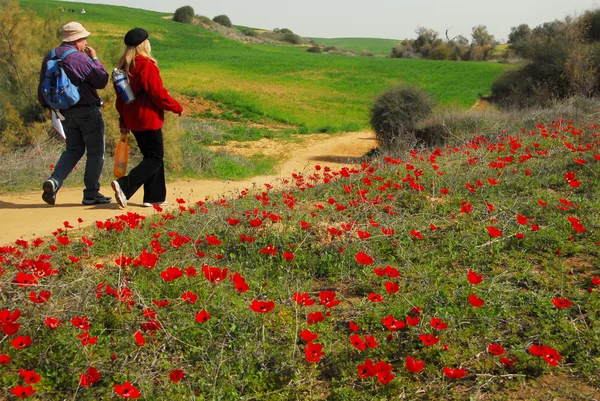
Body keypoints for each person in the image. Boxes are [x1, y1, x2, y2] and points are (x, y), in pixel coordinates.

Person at [38, 22, 112, 205]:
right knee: (96, 152)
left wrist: (50, 108)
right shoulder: (80, 59)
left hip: (64, 112)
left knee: (73, 150)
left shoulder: (51, 55)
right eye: (84, 39)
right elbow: (102, 80)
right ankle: (91, 193)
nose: (86, 43)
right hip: (87, 109)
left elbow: (42, 87)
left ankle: (54, 181)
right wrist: (95, 59)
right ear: (77, 40)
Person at [111, 28, 183, 208]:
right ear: (144, 44)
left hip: (132, 118)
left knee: (150, 155)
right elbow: (157, 93)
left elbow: (120, 99)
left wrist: (123, 121)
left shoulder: (124, 67)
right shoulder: (146, 65)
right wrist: (176, 106)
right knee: (155, 157)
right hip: (147, 117)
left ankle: (154, 196)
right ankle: (124, 186)